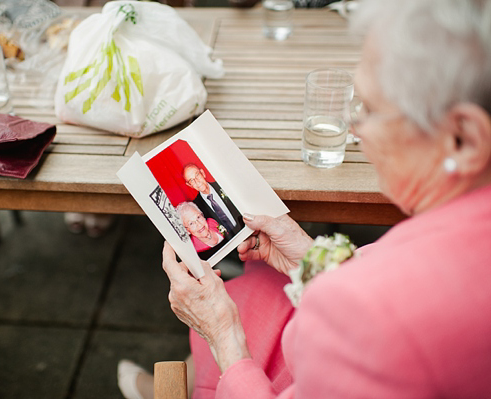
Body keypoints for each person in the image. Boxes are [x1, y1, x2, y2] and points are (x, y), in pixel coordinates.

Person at [117, 0, 491, 398]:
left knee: (238, 309)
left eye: (372, 109)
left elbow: (386, 310)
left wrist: (224, 337)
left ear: (464, 139)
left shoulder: (375, 312)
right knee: (261, 282)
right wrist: (310, 258)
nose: (353, 128)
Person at [183, 163, 244, 239]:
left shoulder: (222, 184)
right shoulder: (196, 207)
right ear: (190, 185)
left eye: (197, 175)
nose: (197, 181)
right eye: (191, 180)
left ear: (203, 173)